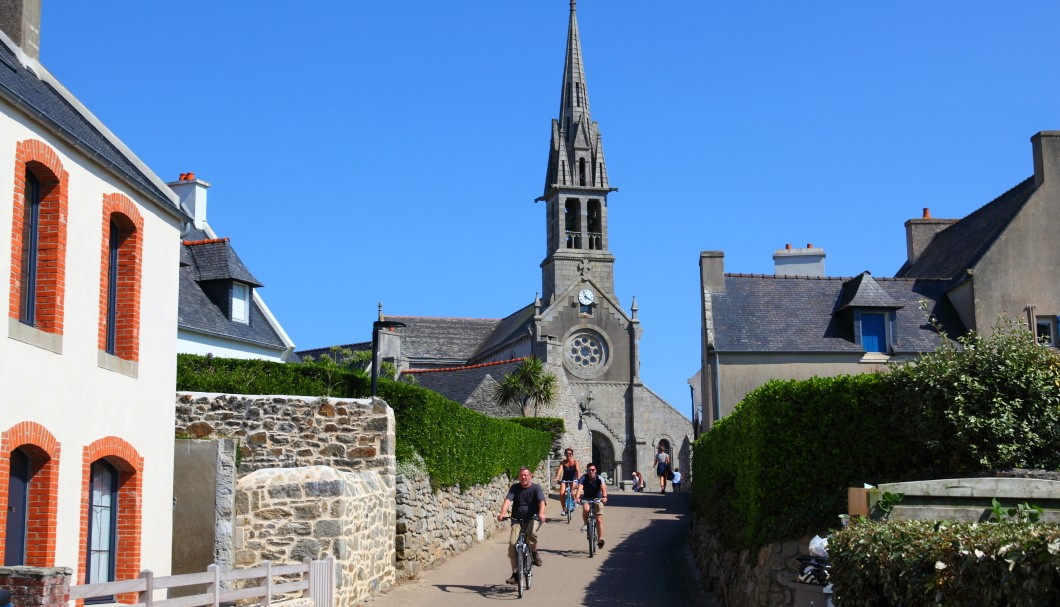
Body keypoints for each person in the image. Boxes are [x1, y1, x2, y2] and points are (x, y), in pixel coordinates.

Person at [497, 466, 547, 584]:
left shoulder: (536, 488)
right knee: (512, 543)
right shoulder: (515, 488)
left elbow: (541, 502)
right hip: (517, 520)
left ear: (530, 476)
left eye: (526, 475)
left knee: (531, 532)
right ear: (519, 477)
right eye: (521, 475)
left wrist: (541, 513)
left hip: (533, 518)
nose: (523, 477)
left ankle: (534, 553)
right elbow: (508, 501)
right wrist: (502, 513)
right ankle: (515, 574)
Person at [577, 462, 608, 549]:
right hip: (587, 498)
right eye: (589, 470)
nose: (591, 472)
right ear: (587, 470)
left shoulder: (600, 478)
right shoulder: (584, 478)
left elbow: (603, 489)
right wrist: (577, 497)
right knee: (586, 509)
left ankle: (600, 539)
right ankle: (585, 524)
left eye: (592, 470)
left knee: (599, 519)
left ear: (595, 470)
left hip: (598, 498)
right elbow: (579, 488)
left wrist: (604, 497)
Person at [553, 447, 580, 515]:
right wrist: (557, 477)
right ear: (565, 454)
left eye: (570, 453)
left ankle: (575, 501)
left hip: (573, 479)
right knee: (561, 494)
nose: (569, 455)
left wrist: (578, 479)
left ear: (572, 454)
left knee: (571, 492)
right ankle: (564, 509)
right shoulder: (563, 462)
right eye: (567, 453)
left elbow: (577, 470)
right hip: (565, 480)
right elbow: (560, 470)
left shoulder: (575, 462)